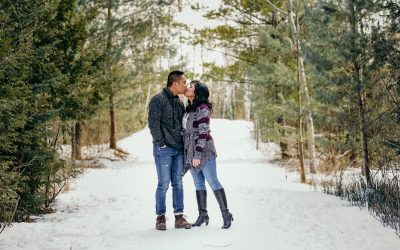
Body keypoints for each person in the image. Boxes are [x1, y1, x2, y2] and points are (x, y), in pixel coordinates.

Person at [182, 80, 233, 229]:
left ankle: (226, 214)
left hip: (204, 150)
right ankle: (203, 215)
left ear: (197, 92)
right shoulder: (188, 109)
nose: (188, 87)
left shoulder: (203, 108)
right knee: (198, 184)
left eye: (191, 86)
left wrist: (197, 155)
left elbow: (203, 133)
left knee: (213, 182)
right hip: (190, 151)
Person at [148, 70, 191, 230]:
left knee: (178, 183)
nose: (185, 85)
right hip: (163, 149)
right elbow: (153, 123)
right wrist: (161, 142)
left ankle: (179, 217)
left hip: (178, 149)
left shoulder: (179, 102)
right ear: (175, 83)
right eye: (184, 82)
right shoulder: (157, 100)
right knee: (163, 184)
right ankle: (160, 217)